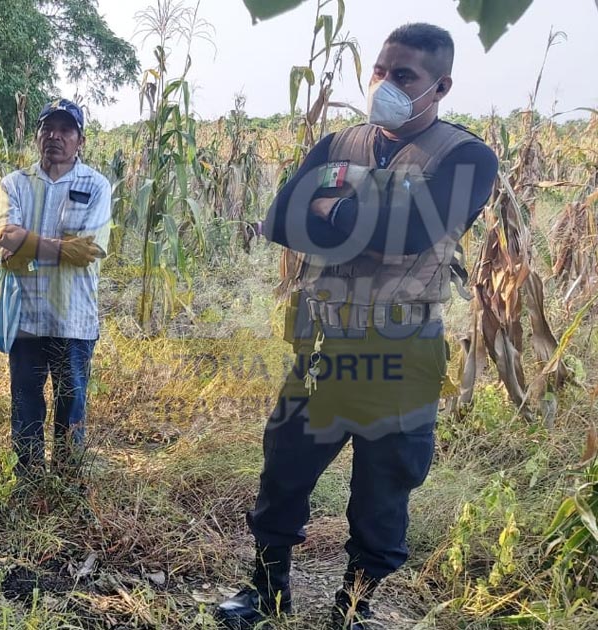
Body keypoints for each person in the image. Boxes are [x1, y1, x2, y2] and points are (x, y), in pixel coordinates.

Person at [214, 24, 499, 630]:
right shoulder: (340, 140)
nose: (384, 86)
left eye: (404, 76)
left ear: (441, 86)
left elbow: (415, 234)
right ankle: (267, 592)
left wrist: (332, 209)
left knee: (384, 487)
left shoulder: (467, 156)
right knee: (284, 469)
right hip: (322, 342)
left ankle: (354, 607)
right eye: (379, 71)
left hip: (403, 350)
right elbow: (280, 220)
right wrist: (368, 216)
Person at [0, 98, 111, 479]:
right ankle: (27, 483)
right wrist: (60, 247)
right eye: (48, 128)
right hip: (26, 317)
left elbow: (88, 250)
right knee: (25, 405)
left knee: (71, 406)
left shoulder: (96, 185)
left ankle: (67, 484)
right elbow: (4, 235)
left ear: (80, 140)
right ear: (37, 134)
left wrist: (27, 244)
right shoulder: (14, 183)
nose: (55, 136)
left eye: (65, 130)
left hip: (73, 320)